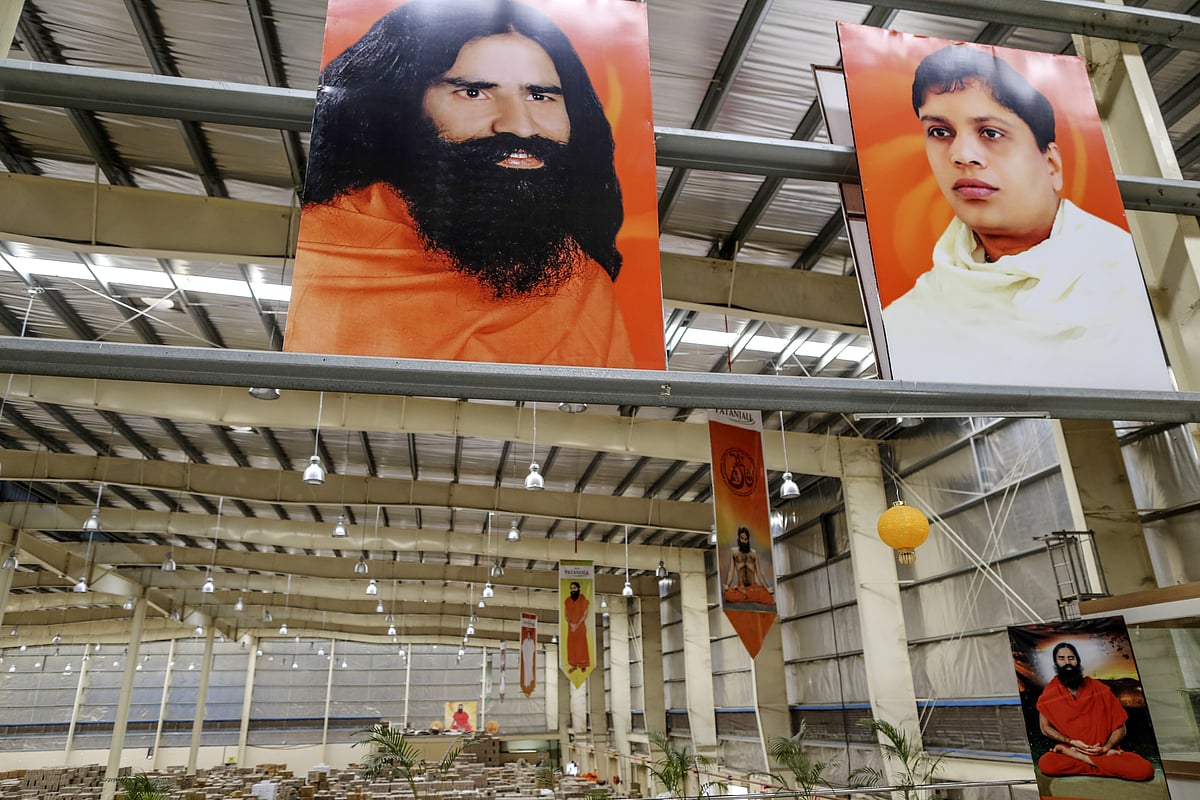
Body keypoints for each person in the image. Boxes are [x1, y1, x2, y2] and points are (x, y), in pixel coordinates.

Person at [285, 0, 636, 368]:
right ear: (402, 110)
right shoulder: (320, 251)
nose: (519, 125)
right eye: (473, 93)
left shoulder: (580, 283)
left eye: (539, 95)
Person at [881, 44, 1171, 391]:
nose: (961, 155)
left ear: (1052, 165)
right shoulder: (909, 320)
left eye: (990, 132)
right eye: (940, 132)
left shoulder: (1136, 277)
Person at [1036, 642, 1154, 781]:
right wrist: (1070, 742)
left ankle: (1082, 758)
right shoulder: (1050, 693)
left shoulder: (1099, 689)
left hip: (1102, 751)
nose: (1067, 662)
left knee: (1145, 770)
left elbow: (1121, 728)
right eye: (1061, 658)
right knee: (1047, 764)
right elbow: (1045, 728)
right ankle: (1103, 765)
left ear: (1078, 661)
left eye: (1071, 658)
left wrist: (1106, 748)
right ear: (1055, 662)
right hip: (1073, 747)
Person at [722, 526, 775, 606]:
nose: (744, 541)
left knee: (770, 599)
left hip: (753, 587)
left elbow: (759, 573)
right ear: (738, 538)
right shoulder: (734, 551)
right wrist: (728, 585)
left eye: (746, 539)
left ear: (748, 539)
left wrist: (767, 588)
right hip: (741, 587)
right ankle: (746, 595)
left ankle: (746, 596)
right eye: (742, 538)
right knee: (728, 595)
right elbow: (731, 571)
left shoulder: (753, 553)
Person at [563, 581, 590, 673]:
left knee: (581, 646)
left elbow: (585, 615)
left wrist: (577, 625)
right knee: (571, 646)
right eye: (571, 588)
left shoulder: (584, 600)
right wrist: (571, 624)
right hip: (571, 628)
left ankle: (583, 665)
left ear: (578, 589)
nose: (572, 590)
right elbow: (566, 614)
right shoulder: (567, 601)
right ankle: (573, 665)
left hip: (580, 627)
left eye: (574, 588)